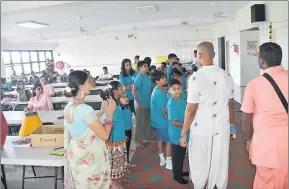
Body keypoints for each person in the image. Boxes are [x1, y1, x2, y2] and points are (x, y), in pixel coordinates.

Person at [180, 42, 235, 189]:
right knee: (221, 160)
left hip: (201, 128)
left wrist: (183, 132)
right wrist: (232, 126)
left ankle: (199, 185)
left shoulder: (195, 78)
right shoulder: (227, 76)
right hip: (222, 127)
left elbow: (191, 109)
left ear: (199, 56)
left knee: (200, 161)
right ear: (214, 55)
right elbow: (230, 106)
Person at [241, 42, 288, 189]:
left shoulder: (254, 84)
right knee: (284, 181)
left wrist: (248, 139)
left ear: (262, 60)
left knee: (264, 182)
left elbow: (246, 117)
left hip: (264, 144)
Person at [63, 70, 121, 189]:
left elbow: (84, 124)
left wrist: (101, 111)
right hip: (90, 162)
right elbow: (105, 135)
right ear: (81, 87)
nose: (91, 84)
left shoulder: (69, 106)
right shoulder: (85, 109)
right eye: (89, 82)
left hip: (78, 158)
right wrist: (110, 113)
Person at [103, 81, 129, 185]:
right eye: (121, 89)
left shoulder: (117, 103)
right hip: (114, 139)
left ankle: (119, 178)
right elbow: (110, 122)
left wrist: (123, 135)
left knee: (120, 161)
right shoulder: (112, 104)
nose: (123, 90)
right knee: (115, 163)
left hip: (120, 137)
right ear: (115, 91)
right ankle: (114, 183)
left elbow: (120, 122)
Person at [167, 79, 189, 184]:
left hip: (183, 132)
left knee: (181, 154)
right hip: (176, 134)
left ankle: (179, 171)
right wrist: (187, 125)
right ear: (169, 91)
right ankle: (177, 176)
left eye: (178, 88)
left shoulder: (182, 99)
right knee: (177, 157)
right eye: (174, 89)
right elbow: (173, 122)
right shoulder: (171, 103)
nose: (177, 91)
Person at [150, 71, 172, 170]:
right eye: (162, 79)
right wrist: (170, 120)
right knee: (168, 141)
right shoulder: (159, 93)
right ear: (157, 81)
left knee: (159, 139)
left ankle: (161, 157)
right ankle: (168, 161)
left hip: (157, 120)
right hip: (163, 121)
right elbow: (163, 110)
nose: (165, 79)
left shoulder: (157, 89)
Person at [132, 61, 153, 145]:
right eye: (145, 66)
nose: (147, 67)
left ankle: (146, 138)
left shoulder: (148, 76)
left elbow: (151, 89)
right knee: (140, 122)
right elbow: (134, 91)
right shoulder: (139, 77)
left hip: (148, 103)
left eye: (147, 66)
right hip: (140, 104)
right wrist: (138, 103)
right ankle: (138, 140)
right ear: (140, 68)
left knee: (148, 121)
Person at [120, 92, 136, 167]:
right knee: (123, 149)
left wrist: (132, 129)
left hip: (128, 130)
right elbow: (120, 123)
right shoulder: (119, 110)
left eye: (126, 97)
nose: (126, 99)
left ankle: (127, 162)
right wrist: (122, 134)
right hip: (123, 132)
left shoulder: (128, 107)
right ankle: (123, 165)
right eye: (123, 97)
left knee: (127, 147)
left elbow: (129, 119)